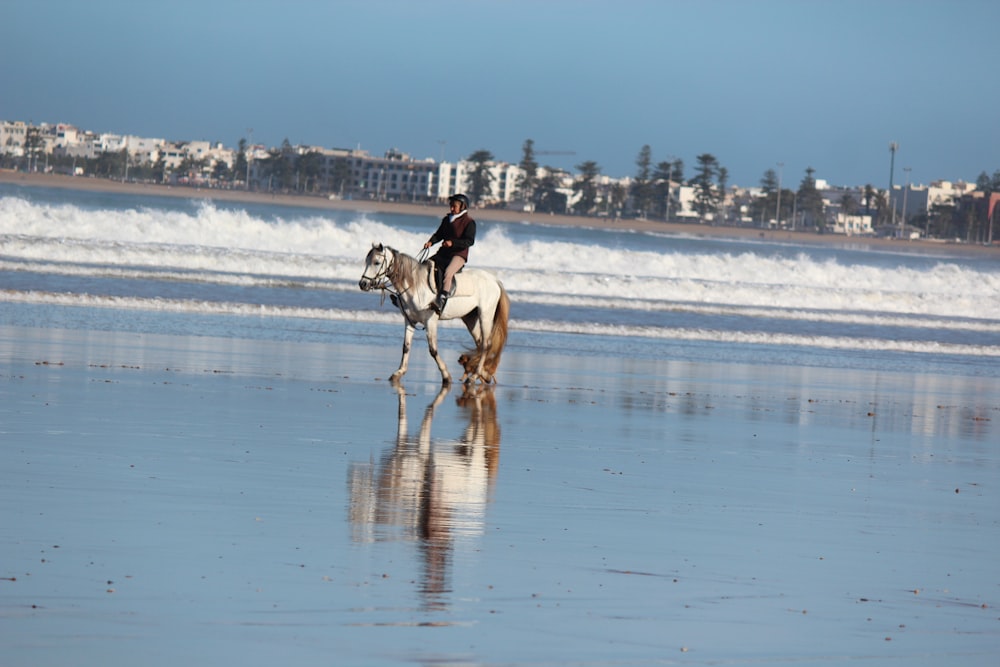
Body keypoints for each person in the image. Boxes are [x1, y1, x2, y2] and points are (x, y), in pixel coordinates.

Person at [423, 193, 476, 311]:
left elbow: (469, 241)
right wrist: (430, 242)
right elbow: (439, 234)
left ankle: (441, 301)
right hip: (443, 253)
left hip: (458, 255)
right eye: (451, 206)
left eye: (454, 206)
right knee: (424, 265)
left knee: (448, 273)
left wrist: (452, 243)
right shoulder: (447, 219)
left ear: (463, 207)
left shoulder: (469, 222)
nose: (451, 208)